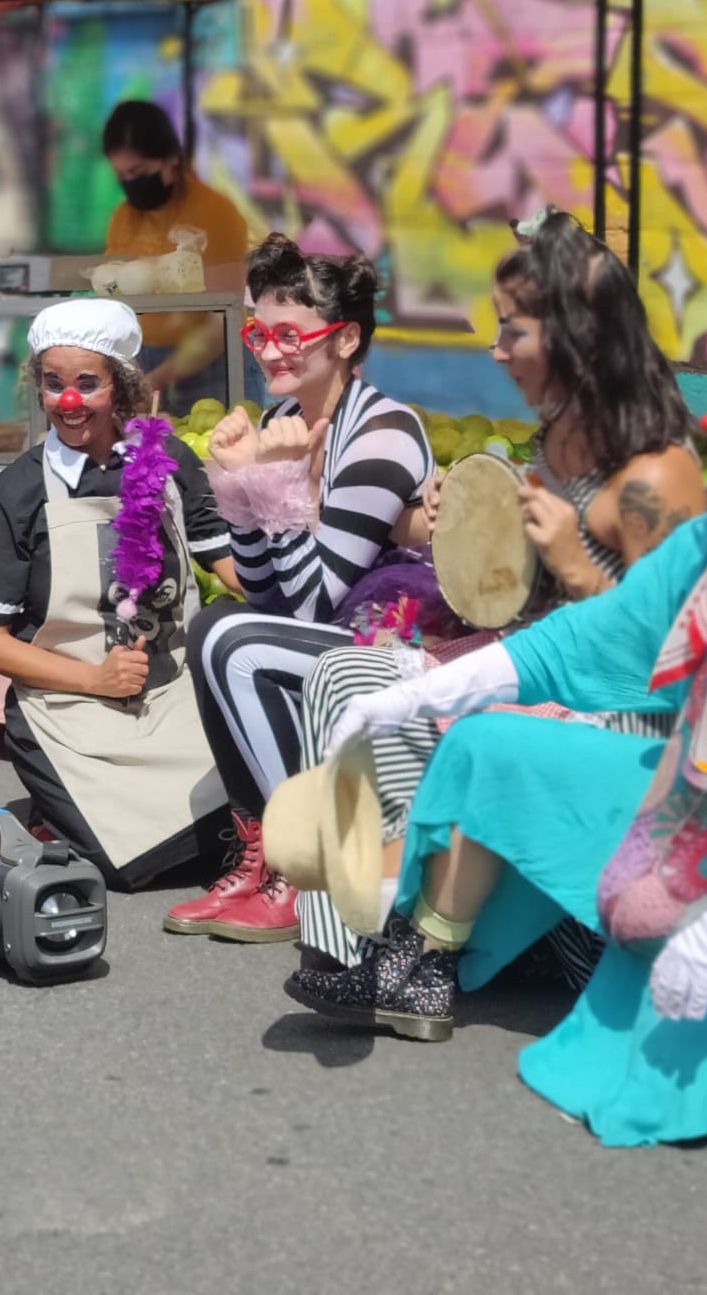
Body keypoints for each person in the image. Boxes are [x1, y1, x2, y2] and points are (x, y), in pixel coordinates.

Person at [291, 317, 707, 1148]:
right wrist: (420, 692)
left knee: (669, 1069)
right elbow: (587, 638)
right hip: (702, 799)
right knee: (491, 740)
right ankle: (422, 967)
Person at [285, 210, 707, 969]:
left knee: (421, 701)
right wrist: (466, 526)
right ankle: (350, 945)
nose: (495, 347)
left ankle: (417, 945)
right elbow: (520, 600)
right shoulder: (558, 441)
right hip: (535, 663)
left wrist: (575, 562)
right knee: (344, 677)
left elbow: (670, 653)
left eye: (513, 330)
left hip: (620, 711)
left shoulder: (657, 471)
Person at [166, 236, 433, 942]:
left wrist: (275, 482)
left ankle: (303, 862)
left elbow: (314, 600)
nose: (269, 350)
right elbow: (264, 589)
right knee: (221, 623)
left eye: (290, 334)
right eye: (260, 332)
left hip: (398, 646)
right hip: (331, 632)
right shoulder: (285, 422)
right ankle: (260, 853)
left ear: (344, 339)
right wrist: (243, 482)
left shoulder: (385, 433)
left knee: (227, 636)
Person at [0, 298, 238, 888]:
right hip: (69, 710)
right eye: (54, 383)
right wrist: (94, 680)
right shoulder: (16, 491)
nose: (69, 401)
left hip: (176, 697)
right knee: (132, 864)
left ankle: (64, 815)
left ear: (123, 387)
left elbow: (231, 565)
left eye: (88, 383)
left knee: (229, 837)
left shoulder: (169, 461)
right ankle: (63, 809)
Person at [101, 99, 252, 403]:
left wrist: (156, 379)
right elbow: (113, 301)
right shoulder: (123, 217)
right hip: (141, 364)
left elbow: (222, 321)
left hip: (211, 368)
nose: (131, 183)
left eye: (139, 171)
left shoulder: (215, 213)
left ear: (170, 159)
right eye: (122, 175)